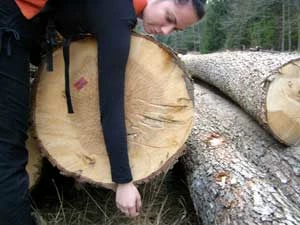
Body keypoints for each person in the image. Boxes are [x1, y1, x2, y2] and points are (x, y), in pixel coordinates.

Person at [0, 0, 206, 224]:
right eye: (169, 18)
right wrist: (124, 181)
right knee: (8, 144)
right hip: (8, 21)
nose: (165, 30)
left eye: (175, 29)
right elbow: (111, 102)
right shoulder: (118, 13)